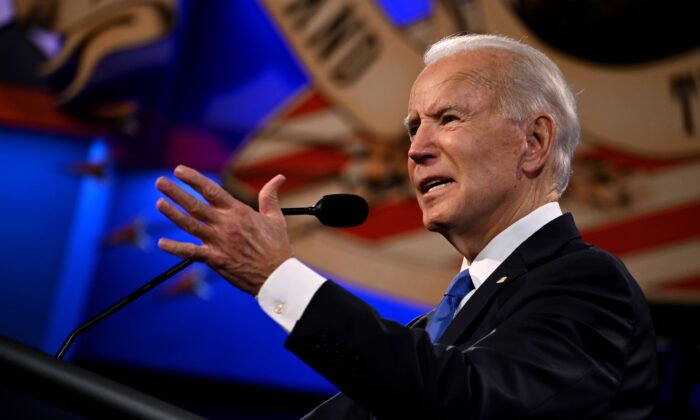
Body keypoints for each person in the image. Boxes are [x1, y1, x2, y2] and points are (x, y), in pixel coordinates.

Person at [155, 34, 657, 419]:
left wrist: (278, 277)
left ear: (533, 141)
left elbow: (461, 402)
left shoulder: (588, 284)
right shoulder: (442, 324)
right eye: (414, 127)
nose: (415, 150)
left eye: (449, 118)